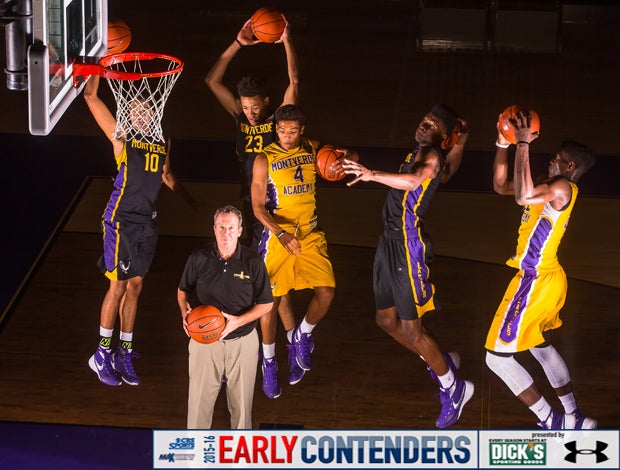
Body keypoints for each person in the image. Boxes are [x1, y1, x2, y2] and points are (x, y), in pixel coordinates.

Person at [341, 104, 473, 429]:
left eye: (431, 125)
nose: (422, 125)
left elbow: (414, 180)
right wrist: (462, 137)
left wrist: (371, 174)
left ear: (441, 135)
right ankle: (439, 363)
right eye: (424, 120)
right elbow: (451, 165)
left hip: (406, 245)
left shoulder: (430, 158)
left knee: (413, 329)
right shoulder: (429, 153)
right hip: (388, 243)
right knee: (385, 320)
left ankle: (454, 389)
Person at [205, 14, 299, 399]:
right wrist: (238, 43)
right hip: (246, 209)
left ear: (266, 102)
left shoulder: (279, 119)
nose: (250, 112)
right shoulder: (240, 120)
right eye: (244, 106)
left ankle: (284, 353)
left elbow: (295, 82)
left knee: (275, 292)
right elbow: (211, 80)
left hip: (276, 210)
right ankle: (281, 349)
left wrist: (287, 41)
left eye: (254, 106)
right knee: (255, 288)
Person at [484, 111, 597, 430]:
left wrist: (522, 144)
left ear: (571, 167)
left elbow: (521, 194)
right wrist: (502, 143)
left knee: (496, 358)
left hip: (536, 280)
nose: (552, 160)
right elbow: (500, 185)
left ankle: (552, 420)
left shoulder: (562, 188)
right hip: (542, 278)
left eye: (558, 158)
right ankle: (574, 417)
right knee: (539, 345)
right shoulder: (547, 186)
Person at [84, 75, 198, 387]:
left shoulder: (162, 142)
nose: (141, 114)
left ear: (155, 113)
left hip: (147, 222)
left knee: (135, 287)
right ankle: (101, 353)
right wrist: (98, 63)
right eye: (135, 110)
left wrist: (190, 199)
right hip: (120, 220)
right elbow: (91, 97)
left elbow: (165, 174)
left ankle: (125, 350)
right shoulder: (121, 137)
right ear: (127, 115)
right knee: (117, 287)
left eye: (146, 110)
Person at [251, 104, 359, 399]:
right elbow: (257, 207)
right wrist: (281, 233)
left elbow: (352, 157)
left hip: (310, 234)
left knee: (326, 292)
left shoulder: (312, 149)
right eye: (282, 130)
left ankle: (302, 334)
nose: (287, 136)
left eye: (292, 131)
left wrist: (343, 160)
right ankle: (269, 363)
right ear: (276, 130)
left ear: (302, 130)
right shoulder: (264, 159)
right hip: (278, 238)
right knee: (270, 304)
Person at [177, 205, 273, 429]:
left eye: (231, 227)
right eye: (221, 227)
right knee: (198, 404)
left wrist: (236, 322)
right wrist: (184, 312)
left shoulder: (253, 262)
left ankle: (239, 460)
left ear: (240, 230)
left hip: (242, 341)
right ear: (214, 229)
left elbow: (267, 303)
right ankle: (197, 458)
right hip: (204, 341)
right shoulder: (198, 258)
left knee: (241, 409)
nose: (226, 232)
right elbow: (182, 290)